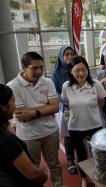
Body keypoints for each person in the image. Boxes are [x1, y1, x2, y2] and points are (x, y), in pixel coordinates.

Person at [7, 52, 63, 187]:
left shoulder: (47, 81)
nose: (39, 71)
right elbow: (22, 116)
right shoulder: (13, 86)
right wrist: (46, 108)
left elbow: (55, 107)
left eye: (41, 67)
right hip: (28, 136)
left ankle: (59, 185)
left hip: (50, 131)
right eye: (34, 68)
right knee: (33, 167)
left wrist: (33, 112)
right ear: (24, 67)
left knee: (54, 163)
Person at [62, 56, 106, 187]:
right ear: (70, 71)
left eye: (84, 69)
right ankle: (84, 179)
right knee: (81, 156)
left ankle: (99, 176)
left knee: (98, 154)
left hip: (95, 125)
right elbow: (66, 104)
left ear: (88, 69)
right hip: (75, 127)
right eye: (77, 70)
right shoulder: (66, 86)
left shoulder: (96, 84)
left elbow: (101, 102)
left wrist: (88, 109)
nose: (81, 73)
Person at [0, 84, 48, 187]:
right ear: (3, 108)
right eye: (12, 101)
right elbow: (33, 174)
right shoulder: (7, 140)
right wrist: (44, 176)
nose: (15, 106)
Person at [51, 46, 78, 174]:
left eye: (71, 54)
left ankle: (84, 157)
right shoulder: (56, 73)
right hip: (67, 109)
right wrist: (65, 100)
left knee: (82, 132)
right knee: (69, 134)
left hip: (80, 107)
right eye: (66, 54)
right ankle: (70, 160)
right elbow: (55, 92)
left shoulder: (76, 68)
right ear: (61, 56)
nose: (69, 57)